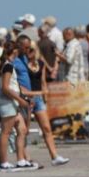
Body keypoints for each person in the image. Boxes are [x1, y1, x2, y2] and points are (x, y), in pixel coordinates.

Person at [14, 36, 69, 166]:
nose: (29, 51)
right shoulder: (20, 61)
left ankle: (54, 156)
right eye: (27, 49)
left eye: (31, 49)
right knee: (24, 130)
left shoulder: (40, 63)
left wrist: (45, 96)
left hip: (38, 98)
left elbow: (43, 82)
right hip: (26, 98)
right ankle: (26, 157)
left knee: (46, 127)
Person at [0, 41, 35, 170]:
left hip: (12, 102)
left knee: (22, 129)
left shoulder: (7, 65)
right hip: (7, 103)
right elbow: (5, 88)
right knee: (6, 132)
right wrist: (20, 100)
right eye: (18, 51)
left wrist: (22, 98)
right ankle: (3, 163)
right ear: (14, 52)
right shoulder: (7, 66)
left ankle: (21, 160)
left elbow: (13, 86)